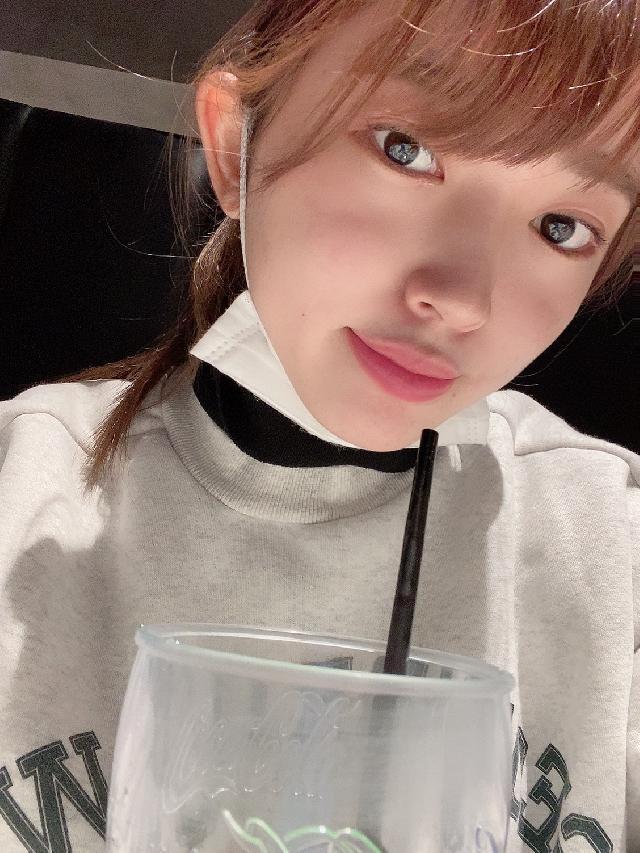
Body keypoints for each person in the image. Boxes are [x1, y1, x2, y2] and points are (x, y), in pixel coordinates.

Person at [0, 0, 638, 850]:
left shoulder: (612, 549)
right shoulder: (18, 493)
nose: (462, 298)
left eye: (562, 227)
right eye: (404, 149)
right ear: (234, 145)